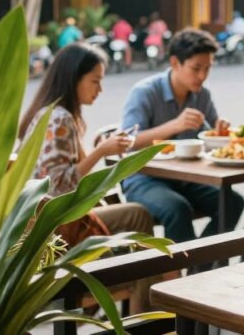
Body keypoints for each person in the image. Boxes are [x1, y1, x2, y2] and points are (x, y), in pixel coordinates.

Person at [17, 43, 155, 313]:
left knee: (138, 228)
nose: (99, 90)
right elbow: (57, 185)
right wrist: (101, 151)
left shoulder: (48, 112)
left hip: (41, 226)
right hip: (55, 228)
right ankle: (144, 317)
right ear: (73, 79)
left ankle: (141, 304)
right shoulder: (60, 119)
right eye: (95, 81)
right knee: (139, 217)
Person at [121, 29, 244, 242]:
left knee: (232, 202)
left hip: (186, 178)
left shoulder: (202, 95)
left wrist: (220, 130)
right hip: (144, 178)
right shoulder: (145, 92)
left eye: (207, 68)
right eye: (196, 68)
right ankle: (185, 271)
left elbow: (211, 136)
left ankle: (202, 266)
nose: (202, 76)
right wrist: (174, 126)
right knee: (177, 209)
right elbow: (127, 143)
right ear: (175, 63)